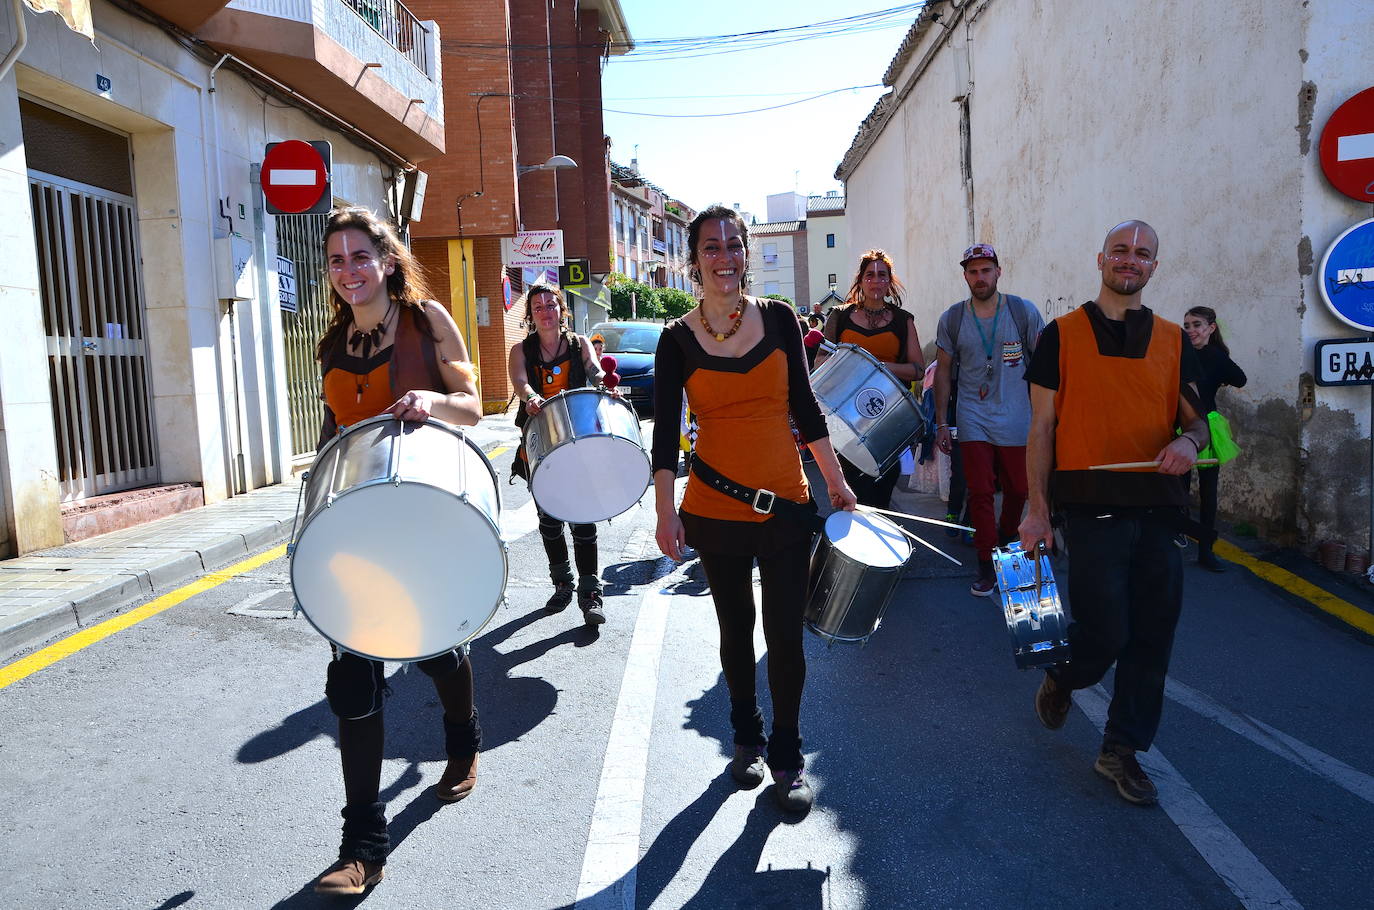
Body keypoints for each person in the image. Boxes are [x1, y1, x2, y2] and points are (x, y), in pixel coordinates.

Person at [652, 205, 857, 813]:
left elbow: (806, 409)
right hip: (715, 509)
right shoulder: (675, 339)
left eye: (734, 245)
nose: (725, 257)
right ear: (695, 261)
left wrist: (836, 483)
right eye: (711, 247)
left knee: (785, 637)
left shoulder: (781, 319)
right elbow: (663, 438)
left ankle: (788, 757)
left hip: (785, 505)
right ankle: (747, 736)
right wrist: (665, 512)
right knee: (735, 630)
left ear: (746, 253)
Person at [311, 207, 484, 895]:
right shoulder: (332, 342)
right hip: (355, 527)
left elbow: (471, 403)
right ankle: (363, 845)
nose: (349, 270)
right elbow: (335, 427)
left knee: (433, 647)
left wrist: (430, 403)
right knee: (354, 678)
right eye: (337, 260)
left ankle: (464, 739)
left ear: (387, 260)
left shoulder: (426, 321)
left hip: (420, 515)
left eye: (361, 256)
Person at [1020, 220, 1208, 807]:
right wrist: (1036, 510)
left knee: (1151, 639)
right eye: (1121, 251)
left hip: (1158, 508)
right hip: (1090, 507)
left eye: (1142, 253)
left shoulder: (1174, 339)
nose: (1131, 260)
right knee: (1104, 633)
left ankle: (1120, 750)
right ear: (1101, 259)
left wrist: (1189, 443)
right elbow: (1041, 428)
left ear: (1154, 266)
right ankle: (1064, 675)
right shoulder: (1060, 335)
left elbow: (1199, 423)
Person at [934, 243, 1045, 596]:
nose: (980, 277)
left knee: (1019, 489)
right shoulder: (953, 318)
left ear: (998, 271)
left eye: (986, 270)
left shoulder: (1023, 312)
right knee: (980, 490)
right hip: (973, 415)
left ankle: (1006, 538)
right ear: (965, 276)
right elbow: (943, 372)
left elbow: (1045, 367)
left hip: (1017, 414)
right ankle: (986, 562)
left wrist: (1047, 418)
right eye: (973, 271)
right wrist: (941, 422)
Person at [508, 284, 611, 625]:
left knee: (583, 518)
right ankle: (563, 584)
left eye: (551, 305)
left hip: (578, 442)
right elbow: (520, 382)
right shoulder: (520, 350)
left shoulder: (579, 344)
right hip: (539, 444)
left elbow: (594, 369)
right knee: (550, 521)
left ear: (561, 310)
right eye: (538, 307)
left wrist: (603, 381)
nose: (545, 311)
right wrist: (530, 397)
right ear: (531, 315)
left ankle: (590, 592)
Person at [816, 250, 925, 507]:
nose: (876, 280)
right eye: (870, 275)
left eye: (882, 275)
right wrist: (852, 367)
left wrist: (878, 368)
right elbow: (820, 362)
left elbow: (918, 369)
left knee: (880, 498)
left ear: (889, 281)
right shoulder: (839, 316)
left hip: (888, 422)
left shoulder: (903, 320)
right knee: (848, 494)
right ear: (861, 280)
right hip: (845, 420)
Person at [1182, 306, 1247, 572]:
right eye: (1187, 325)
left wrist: (1218, 373)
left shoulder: (1216, 356)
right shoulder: (1181, 352)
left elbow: (1240, 379)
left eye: (1197, 325)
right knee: (1178, 489)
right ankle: (1180, 537)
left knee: (1208, 493)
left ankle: (1205, 551)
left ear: (1211, 328)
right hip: (1181, 427)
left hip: (1209, 428)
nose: (1191, 330)